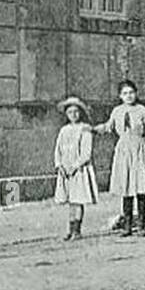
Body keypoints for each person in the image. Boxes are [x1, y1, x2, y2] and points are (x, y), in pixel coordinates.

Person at [100, 79, 145, 237]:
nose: (129, 96)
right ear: (120, 96)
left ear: (136, 93)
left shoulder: (143, 111)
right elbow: (108, 127)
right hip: (124, 152)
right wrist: (88, 128)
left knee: (140, 189)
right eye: (125, 93)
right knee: (126, 189)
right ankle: (127, 226)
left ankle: (141, 225)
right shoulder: (117, 111)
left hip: (139, 151)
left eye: (131, 92)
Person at [53, 96, 99, 241]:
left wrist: (74, 167)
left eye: (76, 112)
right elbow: (58, 149)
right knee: (71, 202)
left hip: (79, 170)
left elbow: (86, 153)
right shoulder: (64, 130)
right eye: (70, 112)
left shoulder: (85, 129)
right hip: (65, 170)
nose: (73, 115)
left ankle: (77, 230)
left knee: (78, 200)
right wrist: (59, 165)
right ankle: (70, 229)